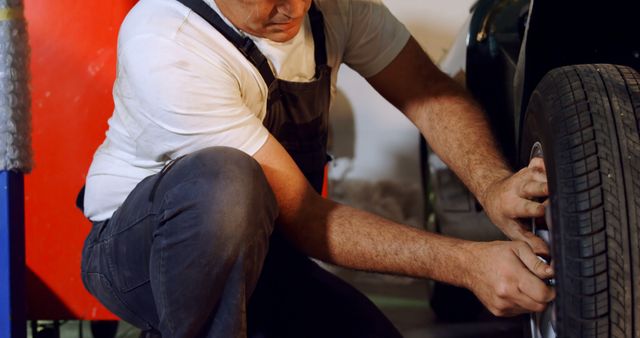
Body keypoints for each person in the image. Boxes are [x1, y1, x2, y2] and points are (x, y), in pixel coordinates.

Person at [80, 0, 555, 337]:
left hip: (262, 253)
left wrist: (494, 186)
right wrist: (467, 264)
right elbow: (306, 217)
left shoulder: (330, 8)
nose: (296, 8)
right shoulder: (168, 40)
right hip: (137, 254)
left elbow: (429, 93)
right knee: (228, 180)